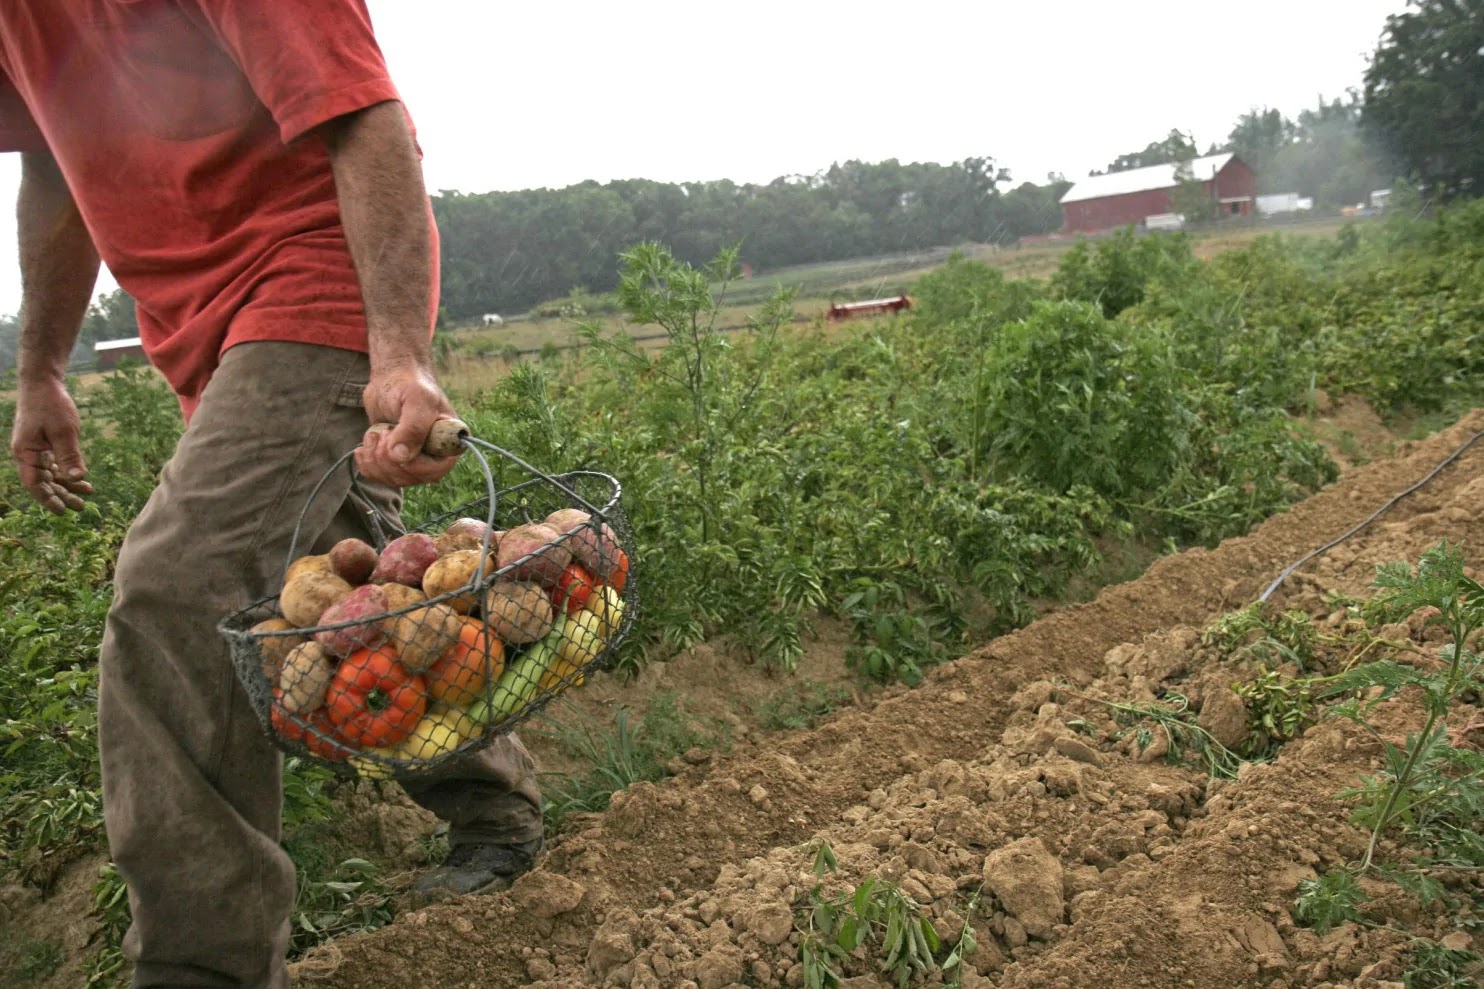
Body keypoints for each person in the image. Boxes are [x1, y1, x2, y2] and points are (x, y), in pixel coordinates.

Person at [2, 3, 543, 985]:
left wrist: (400, 357)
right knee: (345, 599)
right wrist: (40, 369)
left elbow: (364, 117)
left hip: (310, 284)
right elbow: (49, 161)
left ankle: (199, 963)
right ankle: (494, 810)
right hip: (202, 332)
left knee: (175, 586)